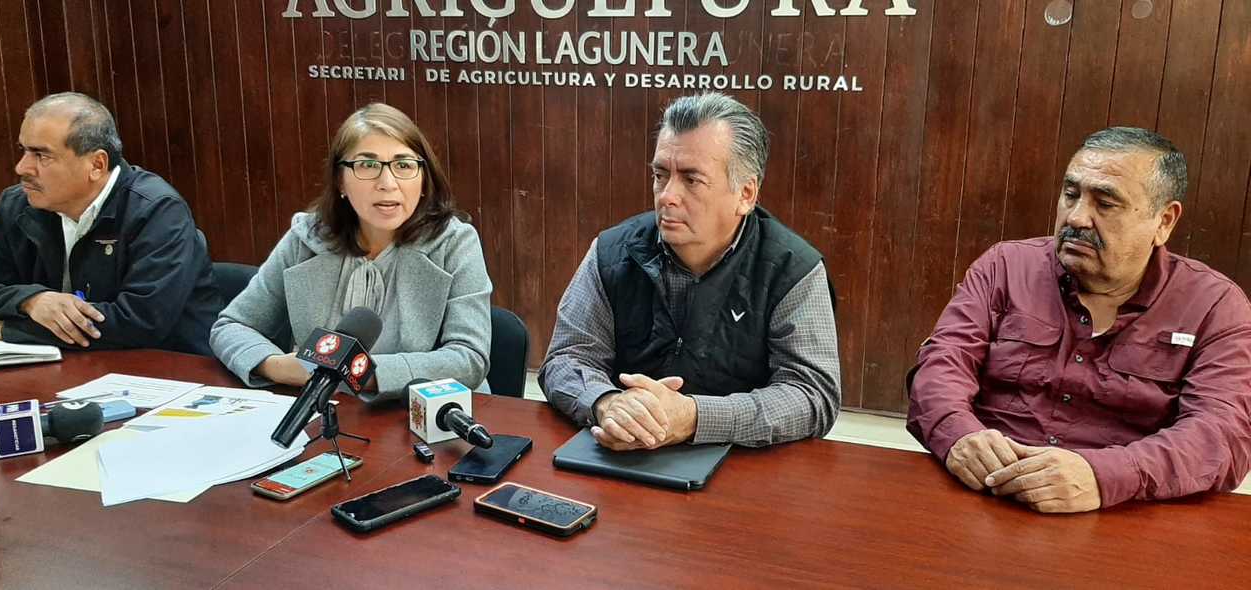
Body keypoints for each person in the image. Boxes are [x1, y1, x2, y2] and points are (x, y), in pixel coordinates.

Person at [907, 127, 1251, 513]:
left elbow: (1222, 434)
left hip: (1118, 512)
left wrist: (1104, 475)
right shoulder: (1004, 267)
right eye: (1071, 195)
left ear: (1164, 221)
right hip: (984, 491)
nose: (1077, 217)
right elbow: (941, 365)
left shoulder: (1214, 306)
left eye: (1105, 204)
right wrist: (958, 434)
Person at [540, 92, 841, 450]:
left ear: (745, 194)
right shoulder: (612, 252)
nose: (667, 196)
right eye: (660, 175)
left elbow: (812, 393)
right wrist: (608, 404)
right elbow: (566, 357)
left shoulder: (791, 269)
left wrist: (695, 417)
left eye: (691, 179)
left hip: (741, 462)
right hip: (621, 450)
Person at [210, 103, 491, 404]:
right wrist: (277, 366)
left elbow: (468, 359)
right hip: (325, 412)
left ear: (424, 180)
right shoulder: (307, 238)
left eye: (404, 165)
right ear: (340, 181)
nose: (388, 184)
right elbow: (232, 326)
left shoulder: (454, 242)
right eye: (367, 165)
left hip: (424, 415)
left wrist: (353, 372)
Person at [0, 92, 222, 354]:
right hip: (64, 363)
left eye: (42, 155)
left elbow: (140, 323)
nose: (22, 168)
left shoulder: (157, 211)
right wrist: (29, 301)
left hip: (168, 366)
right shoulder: (18, 206)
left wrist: (8, 330)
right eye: (23, 150)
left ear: (97, 165)